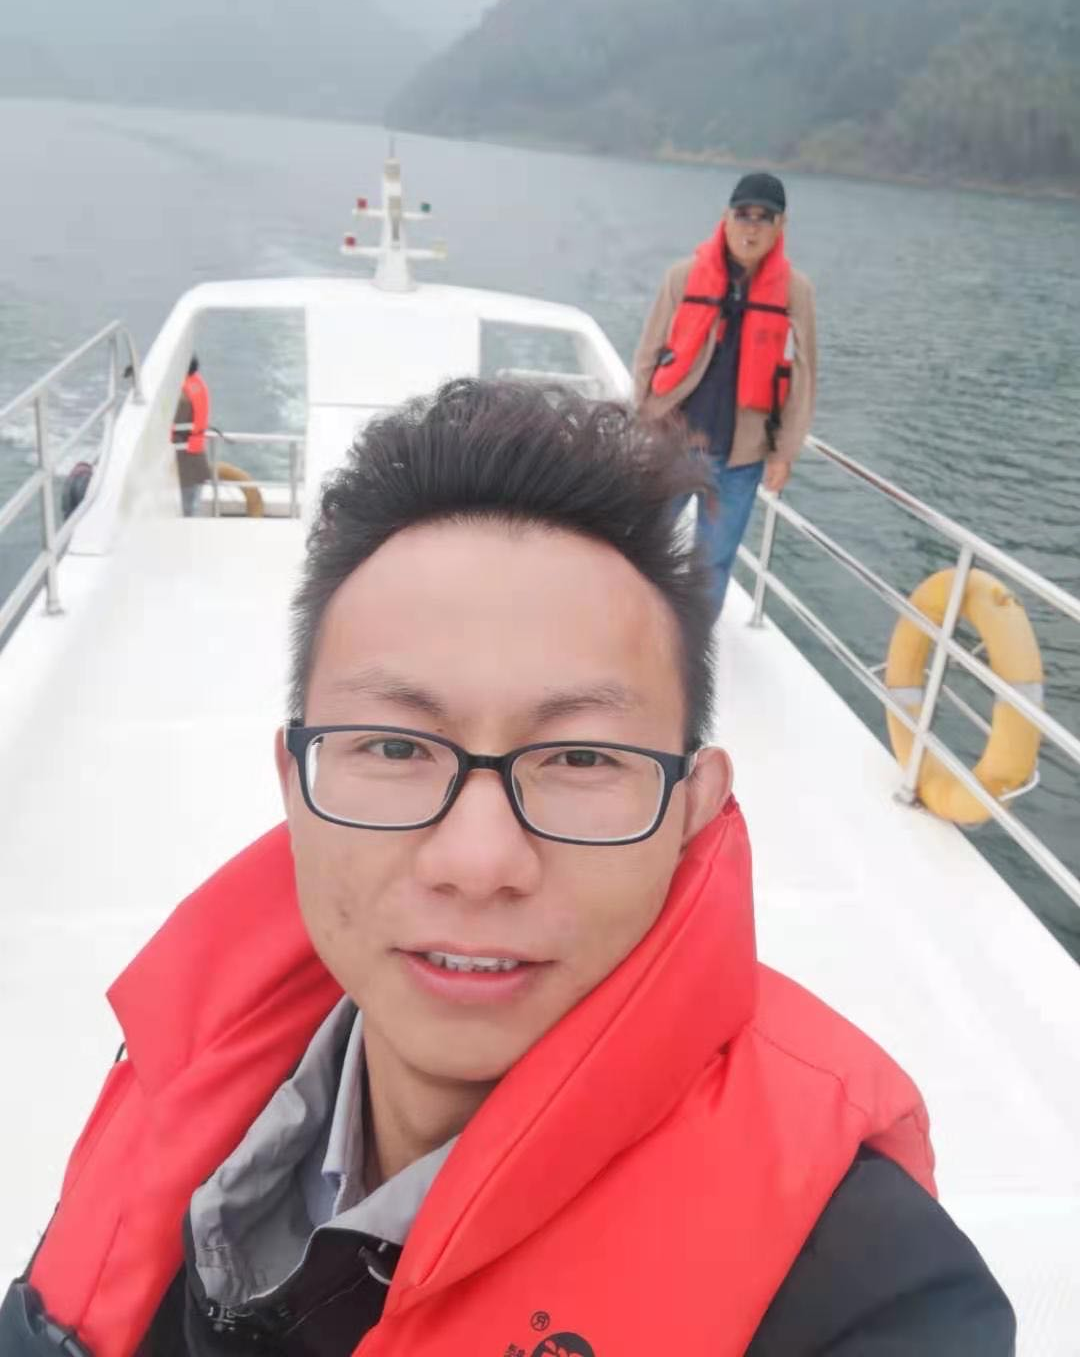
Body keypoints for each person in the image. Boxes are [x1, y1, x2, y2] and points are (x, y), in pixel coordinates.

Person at [2, 382, 1013, 1356]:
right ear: (294, 784)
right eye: (394, 746)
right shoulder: (182, 1073)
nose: (478, 863)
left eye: (581, 759)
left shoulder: (866, 1288)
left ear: (693, 810)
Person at [634, 172, 817, 620]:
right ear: (726, 217)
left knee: (712, 564)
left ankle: (691, 644)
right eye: (743, 215)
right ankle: (637, 632)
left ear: (780, 226)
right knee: (643, 545)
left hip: (741, 458)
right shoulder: (682, 276)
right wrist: (642, 421)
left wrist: (784, 453)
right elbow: (649, 352)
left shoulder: (796, 292)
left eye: (764, 217)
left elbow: (804, 376)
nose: (751, 227)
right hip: (674, 442)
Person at [171, 355, 212, 516]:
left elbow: (174, 423)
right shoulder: (196, 384)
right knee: (193, 501)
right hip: (196, 453)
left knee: (187, 506)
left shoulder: (182, 397)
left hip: (185, 456)